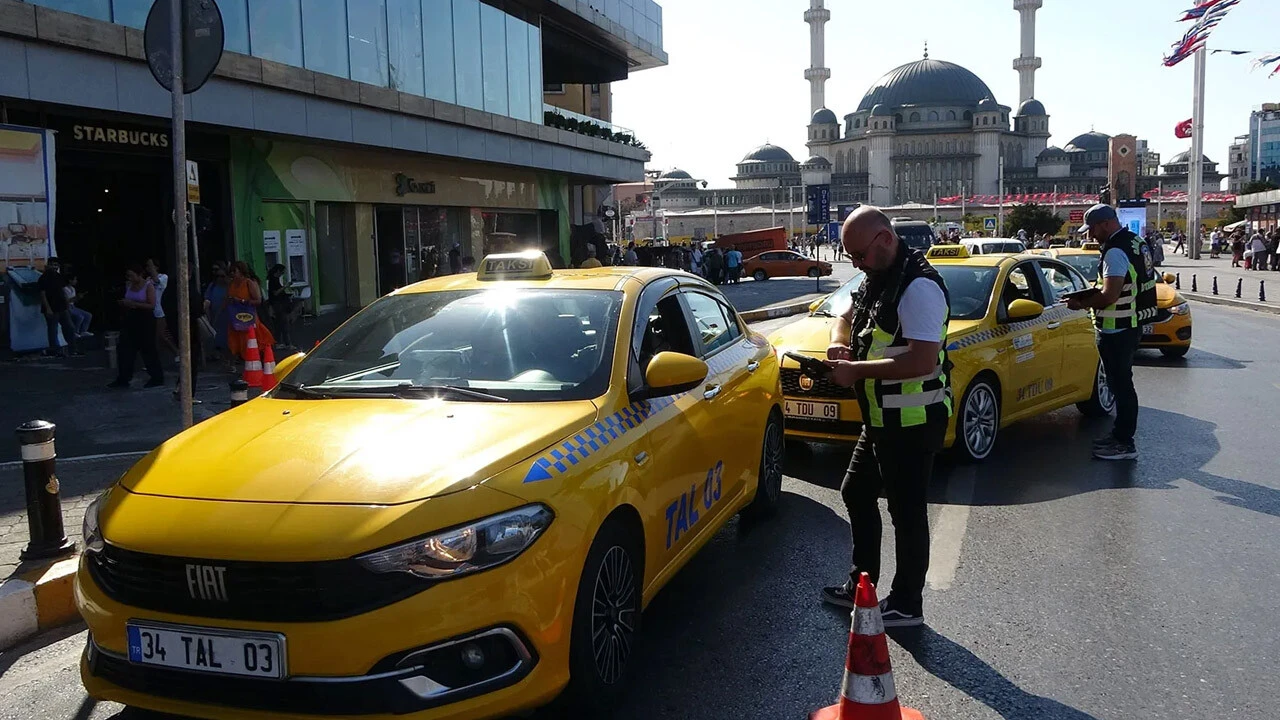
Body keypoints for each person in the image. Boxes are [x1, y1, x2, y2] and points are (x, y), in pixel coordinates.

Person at [819, 207, 952, 627]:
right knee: (856, 491)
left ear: (885, 239)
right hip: (880, 419)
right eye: (851, 257)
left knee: (907, 512)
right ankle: (863, 584)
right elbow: (842, 314)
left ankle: (907, 603)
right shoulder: (878, 277)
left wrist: (855, 370)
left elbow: (922, 361)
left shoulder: (918, 288)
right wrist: (841, 344)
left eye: (859, 255)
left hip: (913, 421)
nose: (855, 264)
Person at [1066, 204, 1157, 461]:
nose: (1090, 235)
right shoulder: (1136, 242)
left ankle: (1124, 443)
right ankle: (1120, 436)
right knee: (1122, 384)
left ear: (1106, 223)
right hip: (1131, 323)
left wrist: (1080, 303)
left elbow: (1109, 295)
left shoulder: (1115, 251)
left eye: (1093, 229)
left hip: (1117, 327)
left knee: (1121, 386)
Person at [108, 264, 164, 388]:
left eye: (132, 275)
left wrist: (134, 303)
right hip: (130, 318)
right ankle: (123, 377)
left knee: (148, 349)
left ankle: (156, 377)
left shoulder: (148, 286)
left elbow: (151, 305)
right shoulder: (129, 285)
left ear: (139, 274)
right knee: (125, 349)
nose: (130, 278)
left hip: (145, 319)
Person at [226, 261, 275, 364]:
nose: (232, 274)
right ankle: (240, 361)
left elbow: (258, 300)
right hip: (235, 318)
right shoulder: (231, 284)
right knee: (235, 342)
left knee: (251, 340)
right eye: (231, 272)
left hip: (248, 317)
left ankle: (255, 360)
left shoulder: (249, 283)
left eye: (234, 271)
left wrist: (242, 301)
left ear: (241, 271)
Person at [37, 257, 81, 357]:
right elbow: (42, 294)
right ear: (48, 265)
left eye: (56, 265)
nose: (54, 267)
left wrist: (67, 304)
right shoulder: (43, 278)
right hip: (51, 308)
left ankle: (73, 349)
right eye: (52, 264)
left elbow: (63, 291)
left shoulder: (58, 276)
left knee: (70, 327)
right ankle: (55, 350)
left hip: (62, 307)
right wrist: (47, 308)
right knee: (53, 329)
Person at [145, 258, 179, 360]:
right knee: (154, 337)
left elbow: (157, 281)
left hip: (161, 310)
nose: (148, 268)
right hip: (151, 310)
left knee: (162, 334)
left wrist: (151, 264)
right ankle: (154, 359)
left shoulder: (164, 277)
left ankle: (177, 352)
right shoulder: (147, 280)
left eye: (150, 266)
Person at [203, 262, 231, 366]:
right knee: (217, 337)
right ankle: (222, 357)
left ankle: (229, 359)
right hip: (215, 316)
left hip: (227, 315)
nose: (220, 278)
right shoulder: (212, 286)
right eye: (217, 276)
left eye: (222, 276)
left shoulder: (230, 286)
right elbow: (207, 299)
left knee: (228, 338)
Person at [65, 273, 92, 338]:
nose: (76, 281)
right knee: (79, 317)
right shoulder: (64, 289)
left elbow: (74, 301)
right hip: (67, 307)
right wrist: (76, 297)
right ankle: (75, 332)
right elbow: (66, 301)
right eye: (75, 279)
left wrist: (79, 297)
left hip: (73, 307)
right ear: (70, 280)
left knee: (88, 315)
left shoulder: (73, 289)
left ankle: (83, 331)